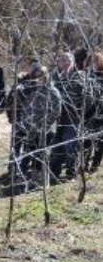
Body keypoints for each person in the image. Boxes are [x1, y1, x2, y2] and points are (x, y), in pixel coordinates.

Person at [49, 51, 85, 183]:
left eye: (68, 59)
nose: (65, 62)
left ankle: (71, 173)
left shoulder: (78, 77)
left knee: (70, 145)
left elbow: (75, 96)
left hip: (72, 118)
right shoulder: (54, 78)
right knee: (56, 145)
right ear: (58, 62)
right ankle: (54, 173)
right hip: (56, 119)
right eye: (62, 60)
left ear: (73, 62)